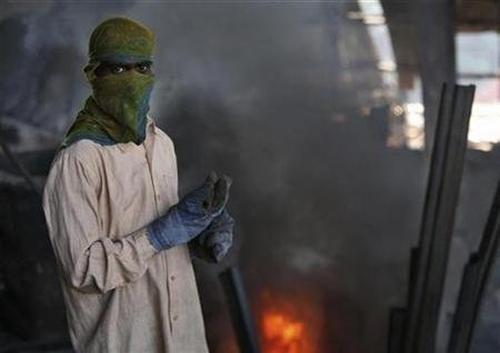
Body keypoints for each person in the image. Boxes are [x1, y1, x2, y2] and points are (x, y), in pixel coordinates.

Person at [42, 17, 234, 353]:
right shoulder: (78, 160)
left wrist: (196, 235)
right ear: (93, 75)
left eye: (142, 67)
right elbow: (85, 271)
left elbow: (160, 241)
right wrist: (159, 234)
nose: (132, 79)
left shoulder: (161, 144)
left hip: (184, 340)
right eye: (118, 70)